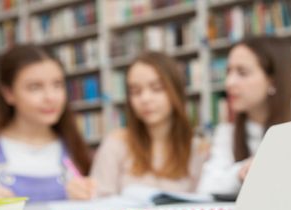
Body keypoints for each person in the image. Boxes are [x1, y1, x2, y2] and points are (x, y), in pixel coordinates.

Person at [0, 44, 92, 201]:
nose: (50, 97)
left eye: (57, 85)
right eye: (35, 87)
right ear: (9, 94)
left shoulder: (72, 148)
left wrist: (87, 197)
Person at [67, 51, 206, 199]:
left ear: (176, 92)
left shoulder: (199, 150)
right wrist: (81, 193)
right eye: (135, 91)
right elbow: (98, 201)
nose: (145, 99)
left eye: (157, 88)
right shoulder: (116, 143)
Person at [196, 36, 291, 195]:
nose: (229, 83)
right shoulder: (227, 131)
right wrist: (242, 172)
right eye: (228, 72)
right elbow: (206, 188)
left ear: (272, 81)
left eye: (242, 73)